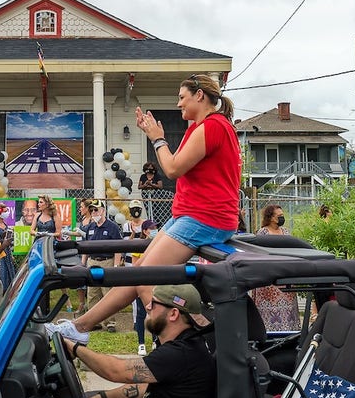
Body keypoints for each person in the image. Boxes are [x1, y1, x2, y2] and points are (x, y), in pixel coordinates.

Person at [51, 74, 240, 343]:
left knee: (144, 277)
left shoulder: (214, 127)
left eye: (182, 97)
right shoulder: (200, 128)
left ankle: (185, 337)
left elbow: (173, 168)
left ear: (199, 96)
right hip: (188, 214)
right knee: (136, 273)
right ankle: (81, 326)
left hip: (204, 218)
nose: (178, 104)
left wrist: (157, 139)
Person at [62, 284, 216, 398]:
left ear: (173, 314)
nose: (147, 307)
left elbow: (116, 371)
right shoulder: (186, 343)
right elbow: (144, 386)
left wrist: (75, 348)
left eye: (154, 304)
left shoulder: (180, 353)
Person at [250, 205, 300, 331]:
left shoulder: (286, 232)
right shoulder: (263, 233)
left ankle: (289, 331)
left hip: (285, 276)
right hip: (269, 281)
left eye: (282, 215)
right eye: (279, 216)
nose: (282, 218)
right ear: (271, 218)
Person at [81, 199, 123, 332]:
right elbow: (85, 247)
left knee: (107, 293)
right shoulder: (90, 228)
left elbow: (118, 248)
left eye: (96, 210)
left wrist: (116, 266)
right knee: (93, 293)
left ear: (103, 211)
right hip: (92, 261)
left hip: (107, 261)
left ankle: (110, 322)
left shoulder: (112, 227)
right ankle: (93, 321)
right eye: (92, 210)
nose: (94, 212)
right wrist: (83, 264)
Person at [129, 220, 158, 356]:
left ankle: (155, 340)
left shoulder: (158, 245)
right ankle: (141, 344)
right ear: (145, 231)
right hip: (142, 284)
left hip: (155, 284)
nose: (155, 230)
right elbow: (135, 266)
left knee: (155, 312)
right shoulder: (138, 246)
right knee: (141, 314)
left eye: (156, 227)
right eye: (152, 228)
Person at [0, 203, 17, 292]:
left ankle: (8, 290)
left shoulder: (4, 222)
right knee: (2, 271)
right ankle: (1, 290)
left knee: (9, 270)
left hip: (7, 251)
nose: (7, 213)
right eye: (5, 211)